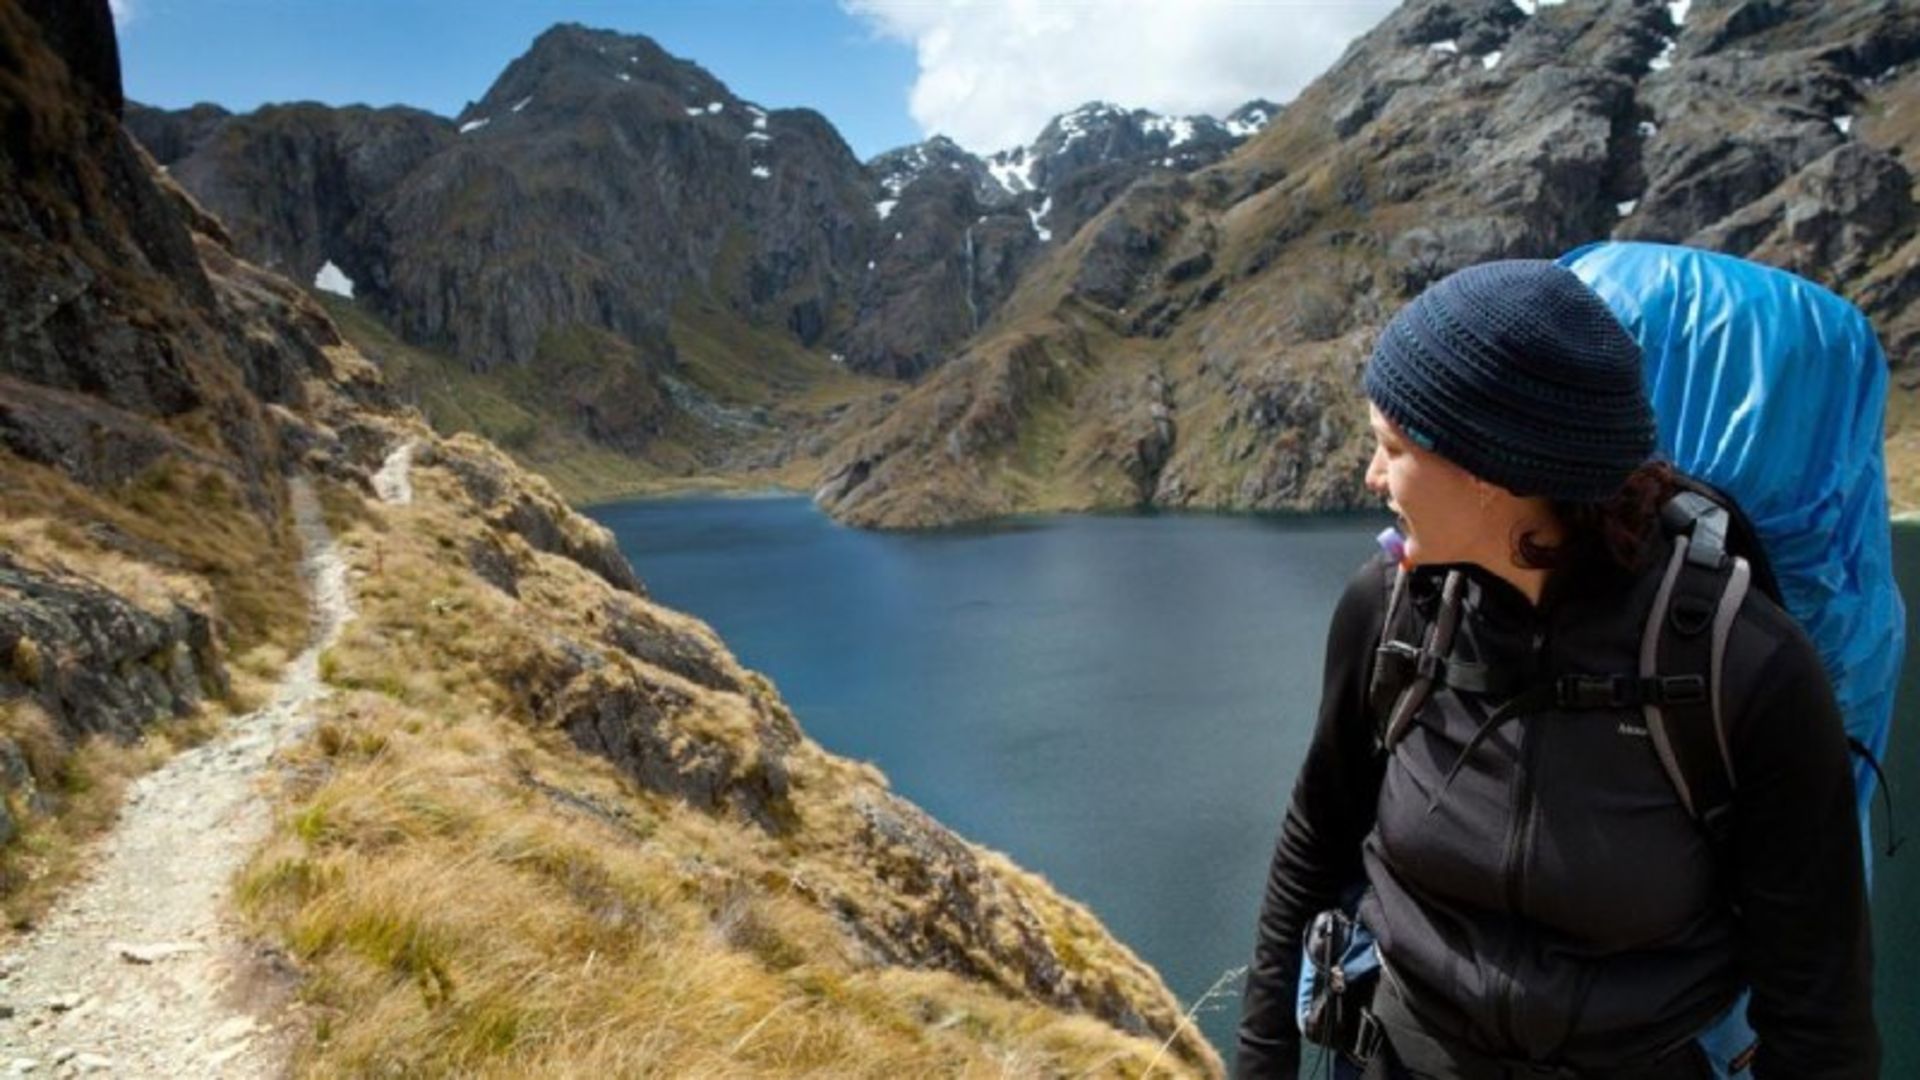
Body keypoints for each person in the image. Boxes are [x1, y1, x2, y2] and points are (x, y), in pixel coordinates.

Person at [1234, 261, 1878, 1079]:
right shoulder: (1390, 612)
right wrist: (1262, 1061)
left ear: (1490, 470)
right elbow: (1312, 845)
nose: (1372, 477)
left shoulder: (1742, 666)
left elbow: (1819, 1013)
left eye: (1392, 448)